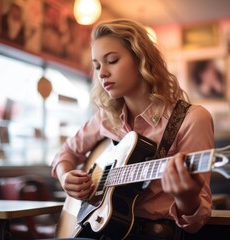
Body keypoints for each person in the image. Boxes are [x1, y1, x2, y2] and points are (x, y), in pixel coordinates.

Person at [51, 19, 214, 240]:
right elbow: (64, 153)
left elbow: (197, 222)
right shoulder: (106, 119)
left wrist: (186, 197)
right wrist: (66, 176)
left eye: (112, 60)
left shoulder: (192, 119)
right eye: (97, 66)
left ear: (141, 59)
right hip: (95, 229)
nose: (102, 73)